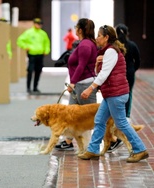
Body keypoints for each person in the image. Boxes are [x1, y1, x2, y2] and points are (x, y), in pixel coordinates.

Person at [78, 25, 148, 163]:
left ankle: (140, 149)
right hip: (112, 94)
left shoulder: (111, 51)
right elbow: (101, 73)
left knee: (121, 123)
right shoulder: (107, 52)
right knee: (99, 120)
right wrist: (98, 62)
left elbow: (104, 74)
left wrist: (90, 88)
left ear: (106, 37)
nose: (96, 38)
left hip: (116, 94)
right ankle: (93, 150)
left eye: (99, 35)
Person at [55, 18, 98, 151]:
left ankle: (92, 146)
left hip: (84, 85)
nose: (75, 29)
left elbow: (81, 66)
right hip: (79, 85)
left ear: (80, 29)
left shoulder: (85, 45)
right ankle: (68, 141)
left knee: (88, 117)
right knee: (71, 115)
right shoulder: (84, 43)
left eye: (76, 26)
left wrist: (73, 82)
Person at [105, 24, 142, 153]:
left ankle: (118, 122)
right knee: (128, 95)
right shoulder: (131, 45)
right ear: (127, 32)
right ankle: (126, 116)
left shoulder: (114, 47)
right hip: (129, 74)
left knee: (115, 97)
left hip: (117, 76)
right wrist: (132, 70)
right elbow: (138, 61)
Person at [17, 18, 50, 93]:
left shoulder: (43, 33)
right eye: (38, 24)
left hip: (40, 54)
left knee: (38, 70)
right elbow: (20, 40)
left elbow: (47, 43)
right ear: (34, 24)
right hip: (32, 54)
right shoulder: (29, 32)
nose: (39, 25)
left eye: (40, 24)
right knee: (30, 70)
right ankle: (28, 87)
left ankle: (35, 87)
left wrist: (46, 50)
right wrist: (25, 47)